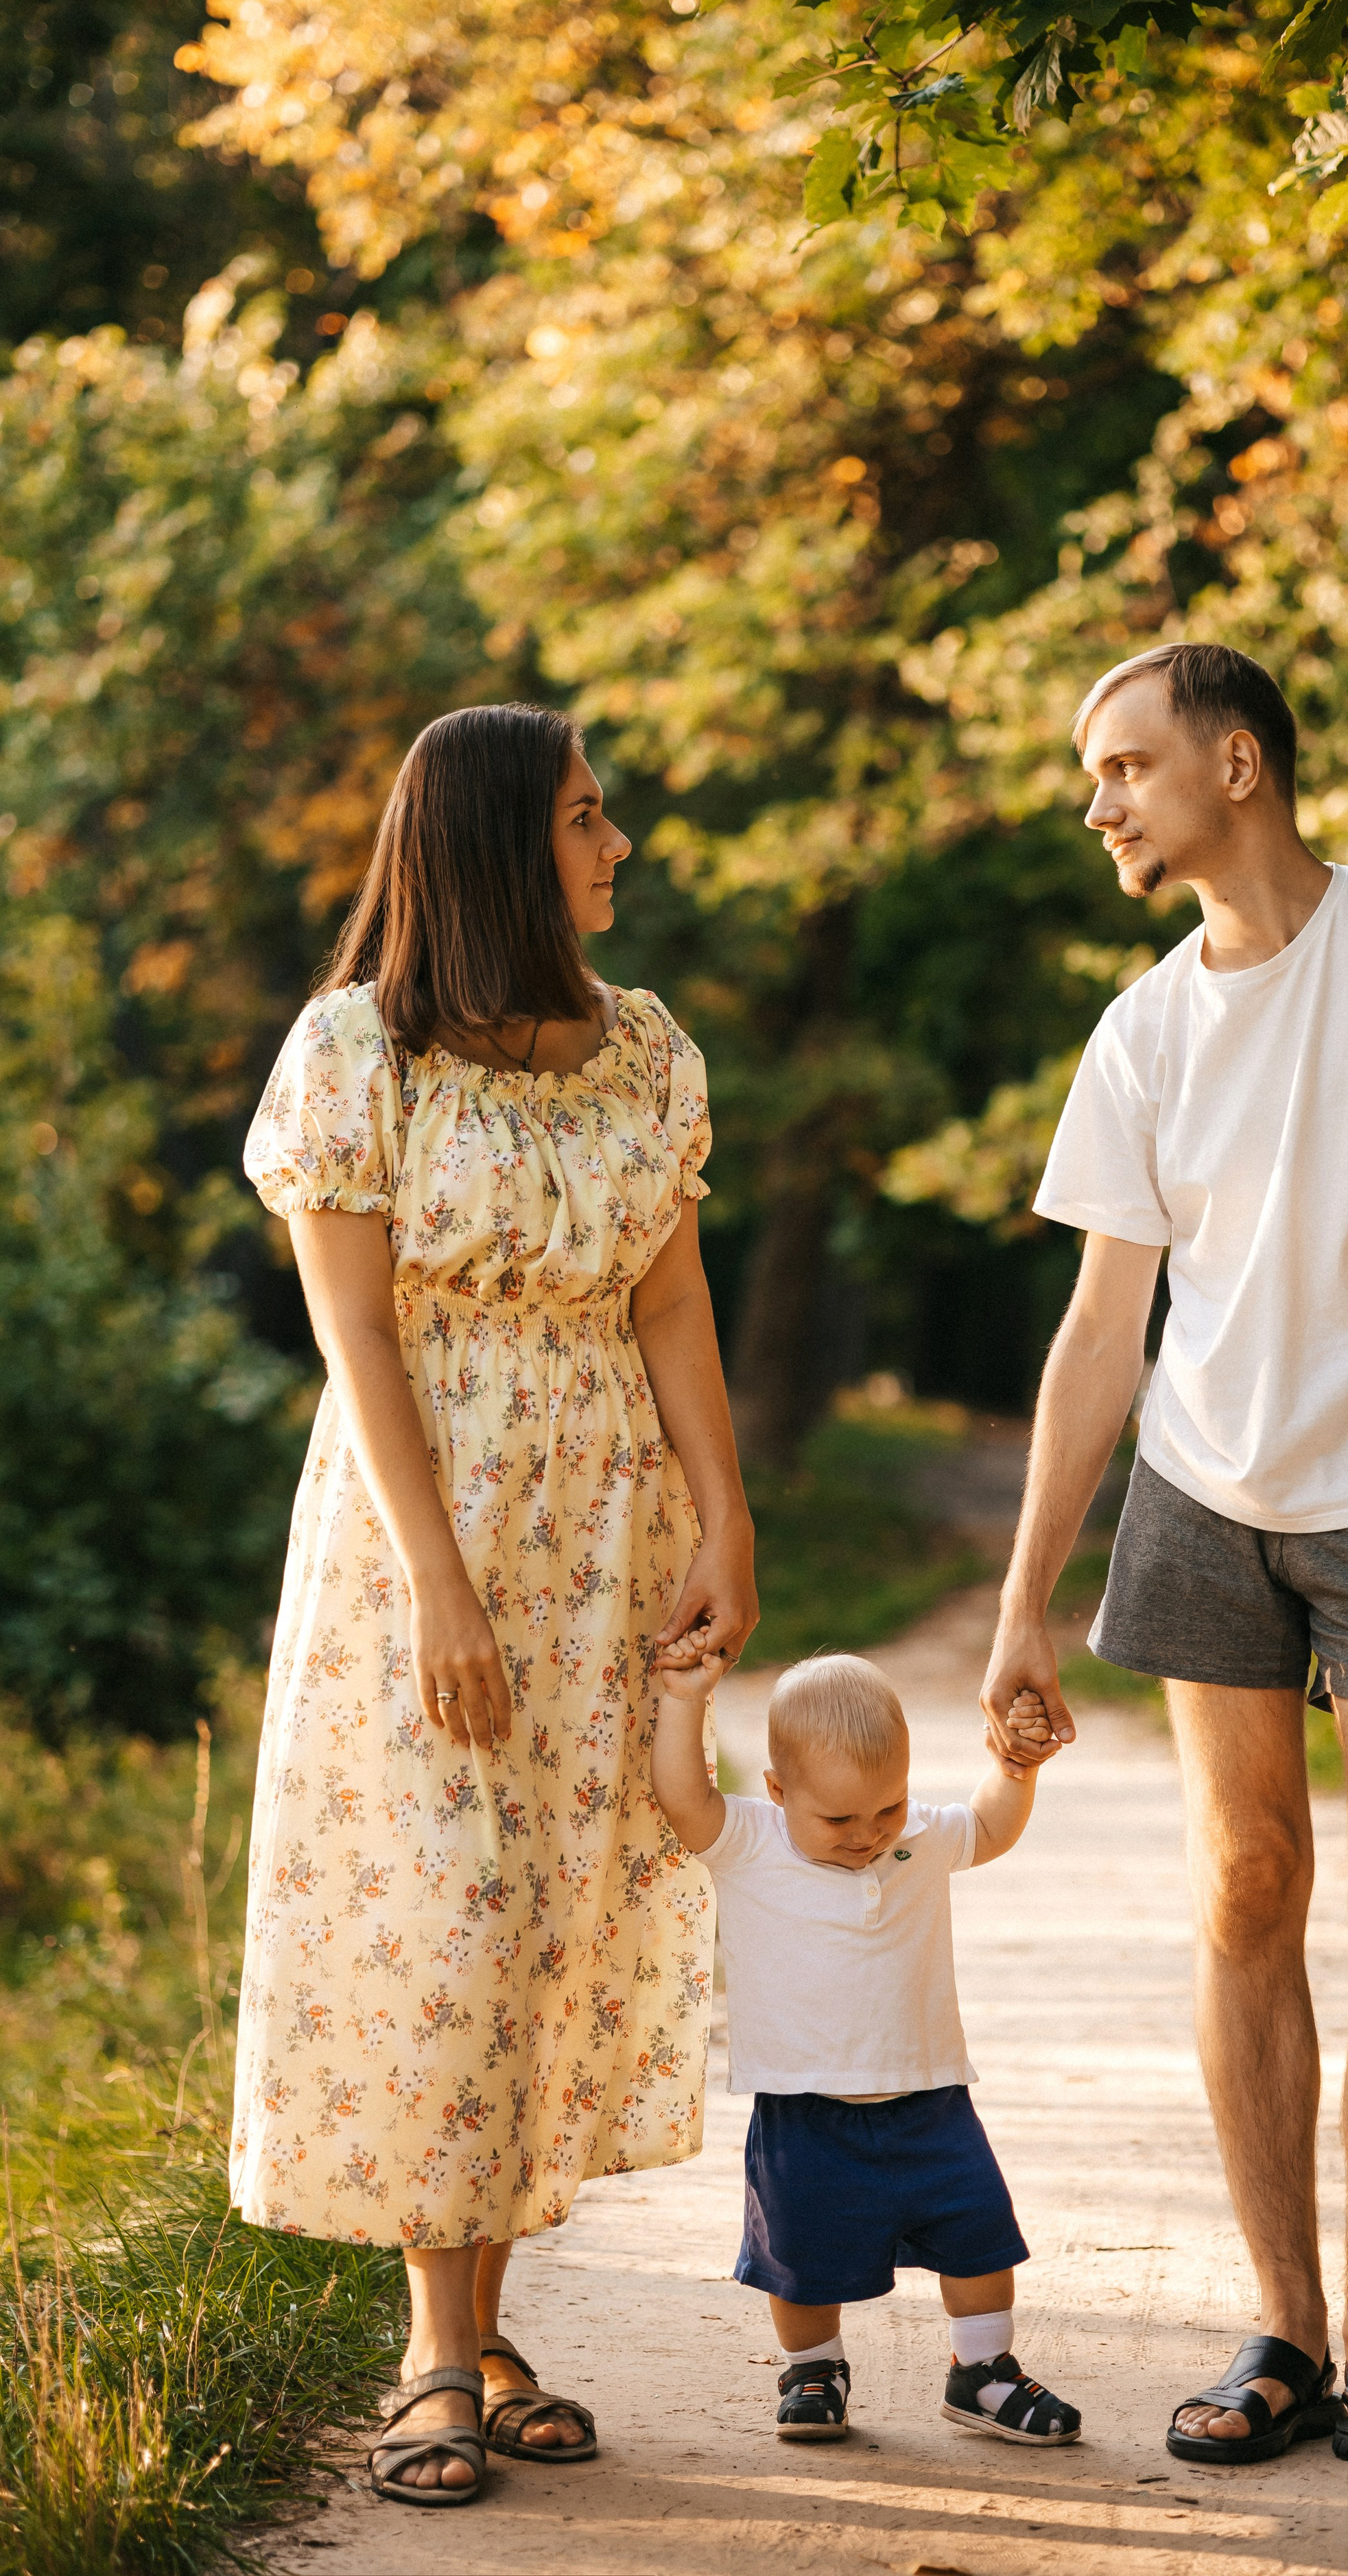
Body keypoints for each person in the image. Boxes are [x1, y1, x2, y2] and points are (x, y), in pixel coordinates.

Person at [983, 642, 1348, 2499]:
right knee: (1246, 1887)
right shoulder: (1144, 1028)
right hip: (1205, 1501)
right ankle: (1291, 2330)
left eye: (1127, 765)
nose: (1102, 804)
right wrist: (1020, 1602)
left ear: (1239, 763)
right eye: (1094, 776)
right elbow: (1099, 1332)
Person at [233, 703, 758, 2509]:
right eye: (588, 819)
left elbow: (672, 1305)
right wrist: (439, 1582)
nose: (618, 849)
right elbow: (355, 1331)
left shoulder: (644, 1053)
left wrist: (726, 1515)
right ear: (491, 848)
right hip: (424, 1535)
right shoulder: (355, 1057)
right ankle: (431, 2354)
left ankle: (488, 2334)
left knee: (537, 1925)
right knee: (440, 1918)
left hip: (607, 1524)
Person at [650, 1646, 1081, 2448]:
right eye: (839, 1820)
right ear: (779, 1793)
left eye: (886, 1808)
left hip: (930, 2098)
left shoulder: (914, 1838)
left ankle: (982, 2371)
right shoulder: (751, 1839)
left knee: (980, 2235)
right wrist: (684, 1697)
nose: (866, 1836)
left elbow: (987, 1826)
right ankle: (812, 2369)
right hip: (806, 2109)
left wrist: (1016, 1769)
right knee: (800, 2258)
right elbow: (682, 1796)